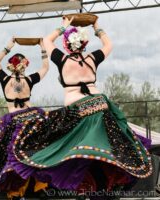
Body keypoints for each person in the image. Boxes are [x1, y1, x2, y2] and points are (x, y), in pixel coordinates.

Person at [8, 17, 152, 200]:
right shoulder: (92, 59)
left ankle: (92, 190)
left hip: (78, 112)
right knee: (106, 150)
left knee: (69, 152)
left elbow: (46, 40)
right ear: (84, 43)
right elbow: (109, 44)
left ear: (67, 46)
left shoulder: (63, 60)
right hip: (100, 107)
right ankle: (101, 190)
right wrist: (96, 26)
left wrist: (64, 25)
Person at [0, 38, 49, 199]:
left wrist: (9, 45)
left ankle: (20, 191)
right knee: (33, 153)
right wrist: (42, 47)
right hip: (32, 119)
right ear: (25, 65)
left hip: (14, 121)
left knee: (13, 156)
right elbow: (46, 67)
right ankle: (34, 189)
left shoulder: (5, 79)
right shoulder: (29, 80)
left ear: (11, 65)